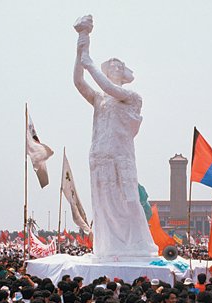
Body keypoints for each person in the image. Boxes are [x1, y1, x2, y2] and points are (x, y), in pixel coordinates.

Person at [73, 14, 158, 259]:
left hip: (121, 156)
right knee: (104, 205)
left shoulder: (132, 96)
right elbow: (78, 82)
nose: (114, 70)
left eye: (118, 67)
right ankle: (110, 248)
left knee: (129, 200)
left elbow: (110, 89)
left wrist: (89, 62)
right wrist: (81, 43)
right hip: (100, 154)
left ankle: (138, 245)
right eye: (110, 67)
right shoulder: (99, 100)